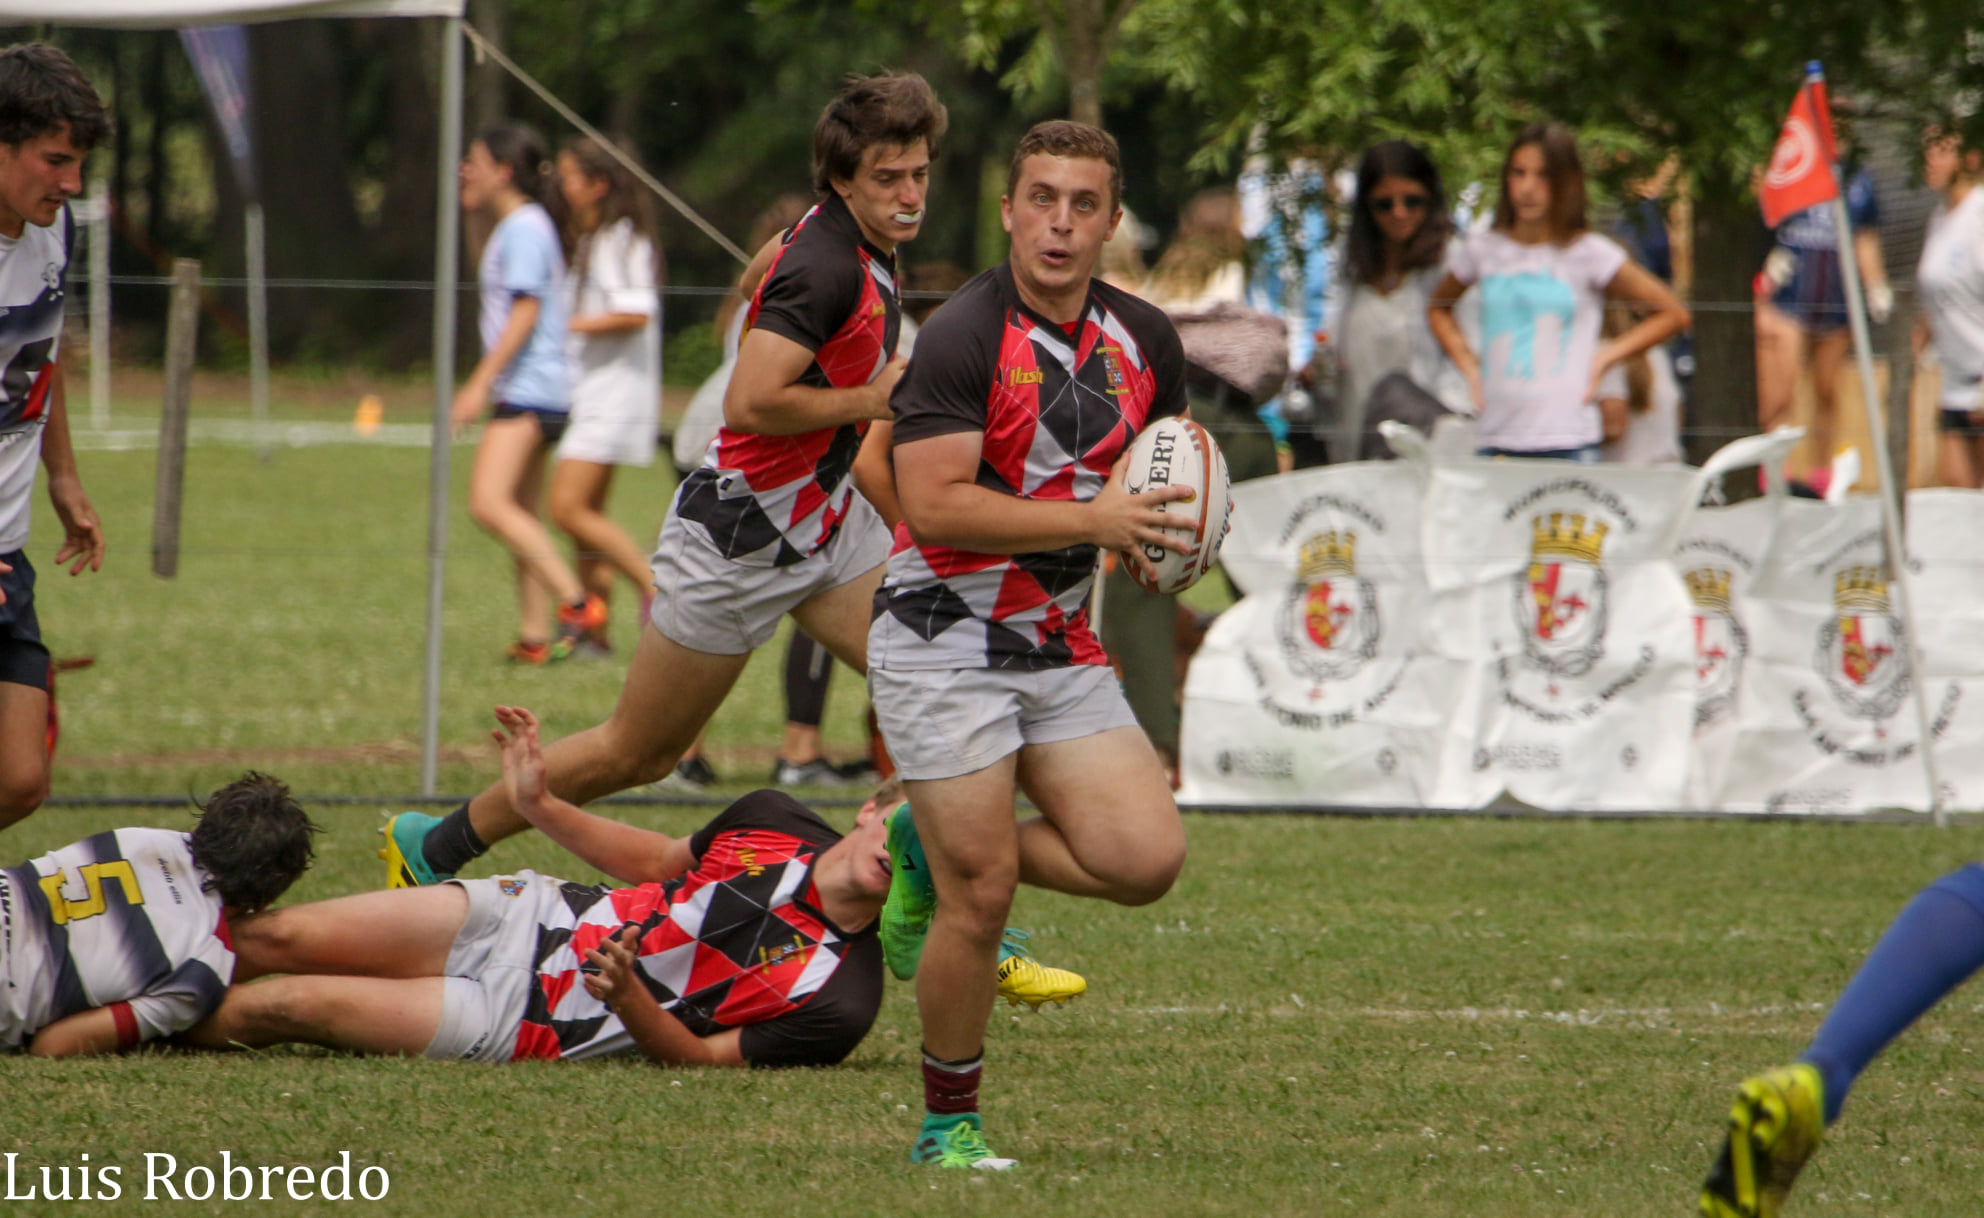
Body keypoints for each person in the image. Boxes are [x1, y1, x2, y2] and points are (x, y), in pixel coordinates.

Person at [870, 120, 1195, 1170]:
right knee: (983, 893)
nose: (1059, 224)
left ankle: (923, 836)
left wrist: (1164, 541)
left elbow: (1164, 471)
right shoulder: (964, 334)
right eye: (1041, 200)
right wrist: (1094, 523)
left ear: (1111, 222)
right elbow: (932, 504)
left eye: (1082, 204)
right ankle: (947, 1128)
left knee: (1145, 860)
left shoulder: (1146, 341)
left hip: (1055, 642)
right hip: (942, 639)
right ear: (1008, 210)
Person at [192, 708, 884, 1067]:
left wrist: (631, 998)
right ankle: (130, 973)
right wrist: (538, 805)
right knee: (274, 935)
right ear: (870, 809)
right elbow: (658, 860)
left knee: (287, 1005)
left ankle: (130, 1028)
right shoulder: (774, 817)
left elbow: (702, 1060)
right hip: (526, 915)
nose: (907, 853)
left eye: (929, 856)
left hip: (524, 1021)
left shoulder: (844, 999)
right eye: (906, 831)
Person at [2, 771, 319, 1056]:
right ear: (265, 902)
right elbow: (53, 1045)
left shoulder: (138, 838)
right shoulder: (202, 966)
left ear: (203, 825)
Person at [1428, 122, 1690, 461]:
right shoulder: (1483, 250)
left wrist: (1605, 358)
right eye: (1519, 173)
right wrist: (1470, 367)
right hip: (1497, 434)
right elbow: (1438, 307)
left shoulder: (1589, 253)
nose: (1527, 188)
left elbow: (1672, 313)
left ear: (1566, 182)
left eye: (1543, 176)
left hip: (1569, 437)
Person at [451, 122, 607, 665]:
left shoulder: (521, 228)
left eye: (473, 161)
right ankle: (535, 637)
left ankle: (578, 605)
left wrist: (478, 384)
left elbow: (525, 311)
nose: (464, 171)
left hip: (529, 389)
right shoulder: (528, 224)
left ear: (503, 171)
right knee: (520, 512)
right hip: (547, 387)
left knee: (487, 504)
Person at [0, 43, 107, 830]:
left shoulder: (53, 230)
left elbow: (41, 350)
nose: (71, 184)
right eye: (55, 160)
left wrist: (63, 476)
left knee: (20, 780)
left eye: (78, 164)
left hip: (10, 547)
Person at [547, 135, 663, 657]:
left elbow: (636, 310)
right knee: (586, 514)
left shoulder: (620, 240)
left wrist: (567, 325)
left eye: (569, 175)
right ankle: (594, 633)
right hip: (597, 389)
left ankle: (653, 585)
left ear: (597, 185)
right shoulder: (596, 240)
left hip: (614, 394)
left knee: (566, 507)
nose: (561, 184)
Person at [1323, 139, 1471, 462]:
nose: (1399, 213)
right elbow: (1333, 341)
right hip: (1357, 434)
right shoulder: (1354, 264)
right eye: (1384, 204)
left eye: (1412, 201)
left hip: (1426, 434)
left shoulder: (1452, 262)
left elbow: (1468, 354)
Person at [1755, 157, 1890, 493]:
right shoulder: (1793, 164)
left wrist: (1876, 285)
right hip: (1788, 300)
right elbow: (1766, 222)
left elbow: (1865, 239)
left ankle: (1821, 474)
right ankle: (1775, 471)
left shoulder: (1858, 180)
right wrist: (1764, 269)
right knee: (1781, 391)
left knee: (1827, 389)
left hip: (1836, 304)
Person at [1915, 126, 1984, 489]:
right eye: (1926, 150)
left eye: (1940, 151)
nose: (1929, 160)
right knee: (1956, 492)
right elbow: (1936, 297)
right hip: (1955, 383)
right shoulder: (1940, 217)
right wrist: (1913, 351)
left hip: (1982, 379)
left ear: (1968, 158)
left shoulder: (1979, 214)